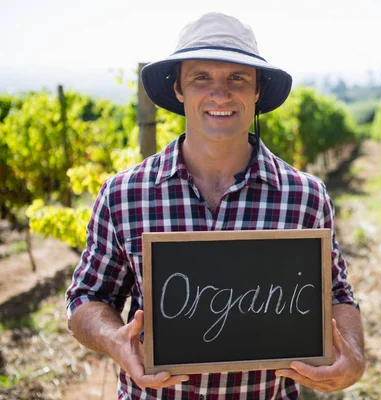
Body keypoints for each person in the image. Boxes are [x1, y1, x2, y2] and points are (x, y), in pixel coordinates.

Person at [66, 12, 365, 399]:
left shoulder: (303, 196)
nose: (220, 94)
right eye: (201, 78)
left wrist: (354, 356)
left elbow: (337, 295)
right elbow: (87, 298)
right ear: (179, 89)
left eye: (237, 78)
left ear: (257, 90)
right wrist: (114, 340)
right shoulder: (125, 194)